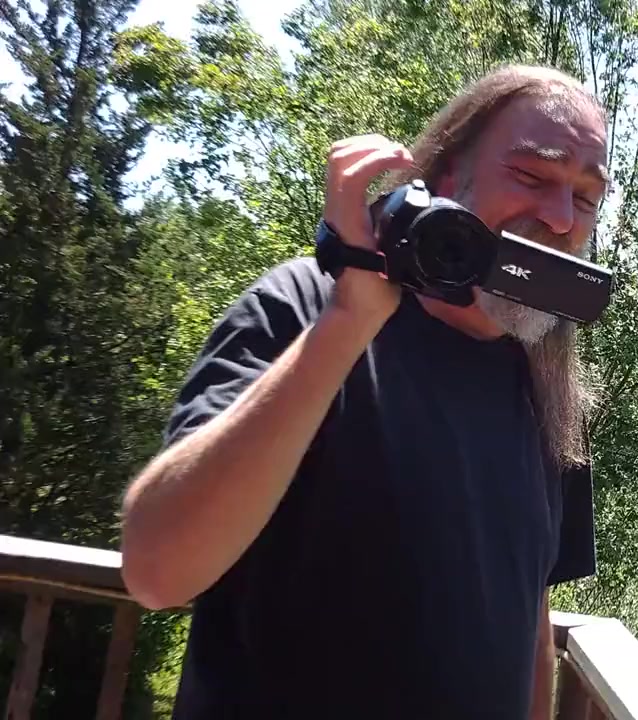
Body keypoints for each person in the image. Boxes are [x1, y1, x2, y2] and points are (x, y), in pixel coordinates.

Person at [119, 64, 609, 719]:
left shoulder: (547, 388)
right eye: (531, 175)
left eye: (585, 197)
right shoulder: (304, 310)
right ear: (446, 181)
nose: (561, 217)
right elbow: (157, 571)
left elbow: (530, 620)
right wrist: (348, 322)